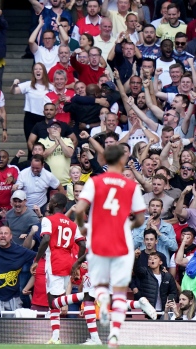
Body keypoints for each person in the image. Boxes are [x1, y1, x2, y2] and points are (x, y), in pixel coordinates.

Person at [74, 144, 146, 348]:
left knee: (100, 284)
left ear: (104, 160)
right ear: (123, 161)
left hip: (98, 239)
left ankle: (103, 303)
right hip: (122, 241)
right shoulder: (131, 185)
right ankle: (114, 335)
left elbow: (79, 209)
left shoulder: (95, 182)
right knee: (121, 291)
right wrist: (129, 224)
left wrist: (83, 227)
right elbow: (140, 217)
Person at [31, 193, 86, 344]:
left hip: (54, 261)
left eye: (51, 201)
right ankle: (55, 337)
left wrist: (36, 260)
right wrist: (77, 264)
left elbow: (46, 239)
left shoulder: (48, 220)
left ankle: (86, 296)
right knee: (57, 301)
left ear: (55, 204)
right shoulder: (72, 224)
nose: (49, 203)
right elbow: (82, 245)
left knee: (53, 302)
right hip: (68, 262)